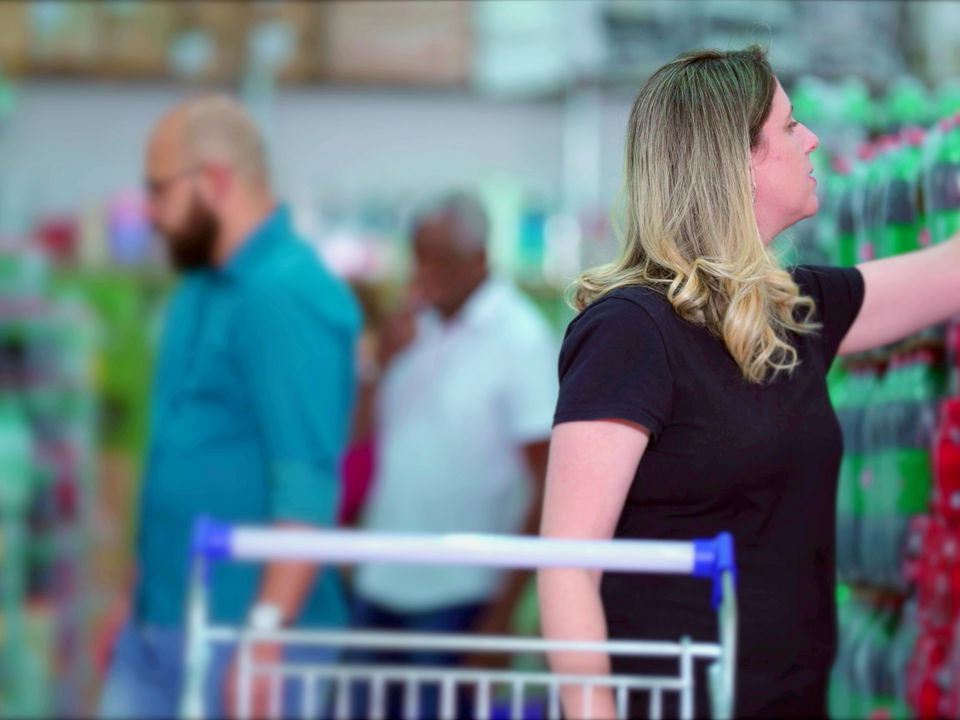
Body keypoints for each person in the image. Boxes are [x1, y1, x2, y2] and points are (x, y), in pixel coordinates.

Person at [539, 45, 960, 719]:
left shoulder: (793, 312)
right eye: (791, 127)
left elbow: (949, 272)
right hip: (673, 701)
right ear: (741, 161)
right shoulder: (630, 331)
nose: (813, 139)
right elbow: (566, 564)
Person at [99, 95, 360, 719]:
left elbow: (306, 482)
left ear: (214, 180)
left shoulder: (288, 294)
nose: (152, 213)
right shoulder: (199, 288)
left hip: (243, 633)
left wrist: (265, 637)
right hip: (164, 620)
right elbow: (175, 457)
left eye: (159, 190)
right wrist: (134, 601)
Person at [350, 194, 557, 719]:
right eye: (417, 256)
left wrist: (500, 618)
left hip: (461, 597)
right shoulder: (411, 327)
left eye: (439, 259)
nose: (423, 273)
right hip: (379, 584)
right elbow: (356, 441)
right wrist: (381, 364)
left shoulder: (520, 338)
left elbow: (548, 484)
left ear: (480, 261)